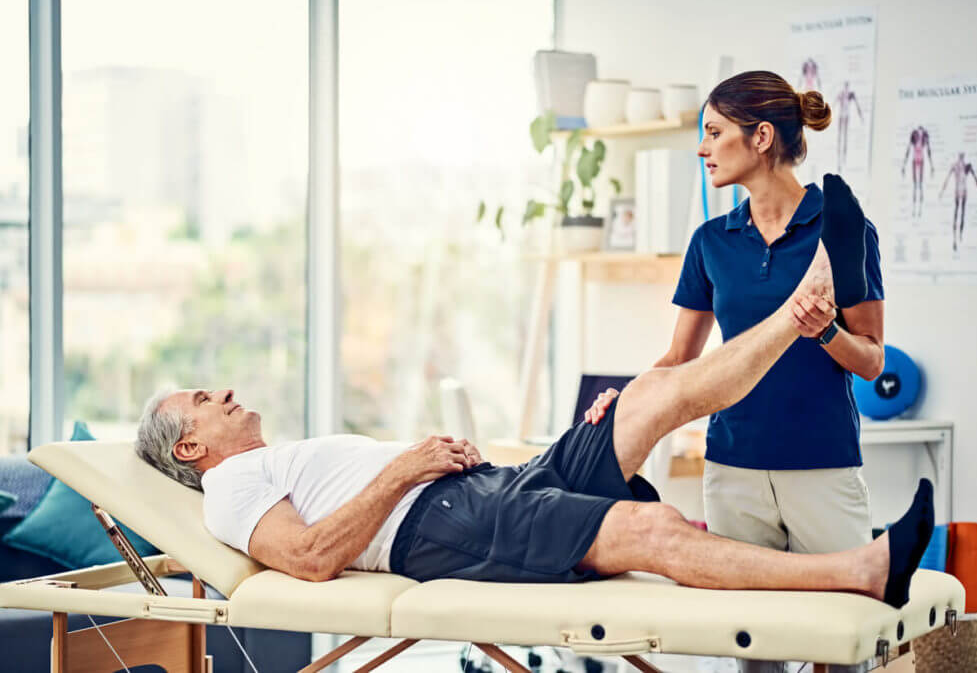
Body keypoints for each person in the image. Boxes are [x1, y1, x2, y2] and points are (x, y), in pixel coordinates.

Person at [134, 215, 933, 613]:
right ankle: (860, 570)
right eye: (203, 400)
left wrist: (425, 464)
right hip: (443, 526)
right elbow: (308, 557)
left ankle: (800, 311)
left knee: (651, 393)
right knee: (653, 535)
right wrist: (405, 468)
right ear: (193, 444)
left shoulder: (264, 460)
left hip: (484, 486)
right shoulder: (232, 486)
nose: (224, 392)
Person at [584, 71, 885, 673]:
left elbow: (873, 359)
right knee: (753, 651)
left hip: (822, 468)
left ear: (762, 138)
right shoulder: (710, 242)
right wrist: (627, 399)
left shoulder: (842, 227)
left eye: (714, 132)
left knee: (847, 649)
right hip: (733, 470)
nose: (702, 148)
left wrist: (824, 329)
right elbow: (679, 360)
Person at [939, 151, 977, 253]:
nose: (961, 158)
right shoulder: (955, 166)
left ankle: (960, 236)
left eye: (962, 157)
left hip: (963, 192)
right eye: (960, 156)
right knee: (956, 214)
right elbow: (947, 178)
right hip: (958, 191)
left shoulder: (967, 166)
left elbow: (975, 179)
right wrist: (942, 191)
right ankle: (955, 239)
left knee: (962, 214)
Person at [901, 126, 934, 217]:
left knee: (920, 185)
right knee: (916, 185)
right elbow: (908, 149)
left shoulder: (925, 136)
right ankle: (914, 208)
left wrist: (931, 166)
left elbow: (928, 151)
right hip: (915, 160)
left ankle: (920, 209)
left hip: (921, 159)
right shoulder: (914, 134)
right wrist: (904, 165)